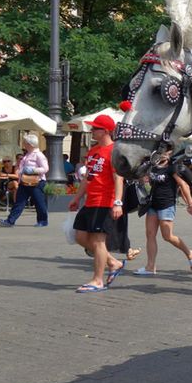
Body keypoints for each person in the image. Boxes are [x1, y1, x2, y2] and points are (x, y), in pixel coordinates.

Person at [69, 114, 125, 293]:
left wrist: (117, 203)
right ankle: (113, 262)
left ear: (105, 131)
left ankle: (97, 280)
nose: (92, 131)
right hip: (90, 201)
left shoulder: (114, 151)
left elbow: (118, 178)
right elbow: (87, 178)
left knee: (99, 241)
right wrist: (77, 198)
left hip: (104, 201)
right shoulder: (93, 151)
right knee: (80, 237)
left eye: (95, 128)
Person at [132, 150, 192, 275]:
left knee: (167, 236)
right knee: (150, 235)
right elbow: (145, 180)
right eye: (161, 152)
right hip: (152, 205)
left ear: (170, 154)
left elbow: (184, 185)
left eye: (166, 152)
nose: (163, 154)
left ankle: (190, 253)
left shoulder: (172, 168)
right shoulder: (153, 167)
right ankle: (150, 267)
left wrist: (191, 204)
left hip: (166, 205)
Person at [0, 134, 49, 227]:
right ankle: (10, 221)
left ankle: (43, 221)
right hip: (25, 181)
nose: (24, 144)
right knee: (19, 201)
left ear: (30, 144)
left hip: (36, 182)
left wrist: (33, 170)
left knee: (39, 202)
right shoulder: (28, 154)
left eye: (25, 143)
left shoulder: (39, 155)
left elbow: (45, 168)